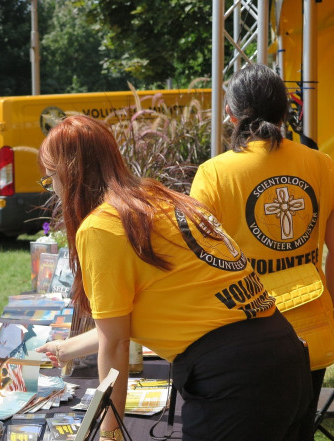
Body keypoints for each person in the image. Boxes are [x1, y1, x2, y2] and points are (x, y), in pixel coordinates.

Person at [35, 115, 312, 441]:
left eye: (50, 178)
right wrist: (67, 348)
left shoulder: (102, 226)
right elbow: (124, 321)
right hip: (285, 354)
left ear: (68, 175)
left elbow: (116, 343)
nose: (52, 188)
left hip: (234, 378)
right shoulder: (162, 198)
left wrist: (110, 433)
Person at [189, 63, 334, 440]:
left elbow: (198, 266)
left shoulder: (214, 174)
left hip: (242, 339)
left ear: (232, 115)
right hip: (311, 330)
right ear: (285, 113)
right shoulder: (321, 165)